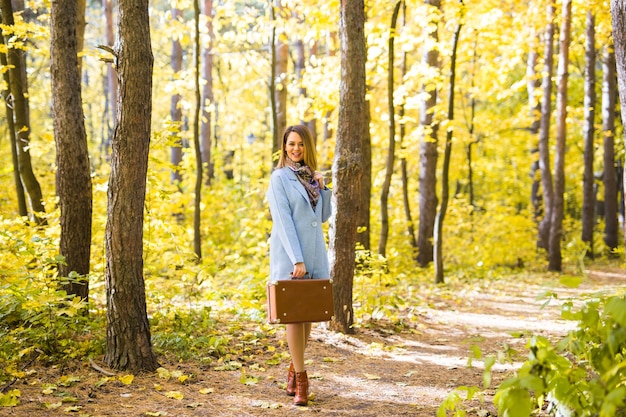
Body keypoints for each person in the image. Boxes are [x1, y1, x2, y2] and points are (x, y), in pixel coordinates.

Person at [266, 124, 332, 406]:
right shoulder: (279, 178)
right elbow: (283, 220)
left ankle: (293, 369)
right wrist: (297, 259)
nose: (296, 149)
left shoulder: (311, 178)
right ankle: (302, 379)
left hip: (315, 253)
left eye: (301, 144)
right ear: (284, 146)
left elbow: (325, 216)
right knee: (294, 316)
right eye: (291, 144)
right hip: (292, 255)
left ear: (308, 147)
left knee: (307, 317)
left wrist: (323, 187)